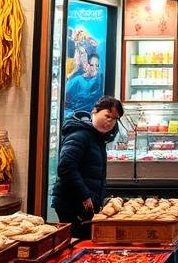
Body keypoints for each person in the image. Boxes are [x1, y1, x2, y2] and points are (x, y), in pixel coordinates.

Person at [52, 96, 123, 239]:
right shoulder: (80, 135)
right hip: (72, 203)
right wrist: (84, 195)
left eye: (115, 119)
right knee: (77, 244)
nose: (110, 122)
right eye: (107, 116)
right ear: (94, 111)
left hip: (84, 203)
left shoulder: (97, 138)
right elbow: (66, 167)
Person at [64, 52, 103, 117]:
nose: (94, 68)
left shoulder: (99, 80)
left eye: (97, 66)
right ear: (86, 64)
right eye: (91, 65)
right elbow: (65, 98)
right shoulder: (77, 80)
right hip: (76, 114)